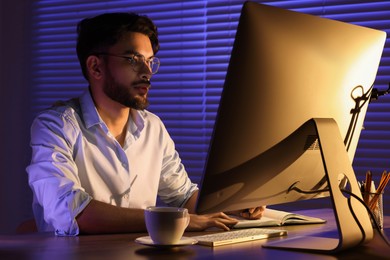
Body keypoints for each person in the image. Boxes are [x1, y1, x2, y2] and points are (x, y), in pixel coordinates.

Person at [26, 12, 265, 236]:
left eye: (150, 61)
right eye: (133, 59)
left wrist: (235, 206)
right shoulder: (54, 126)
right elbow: (72, 213)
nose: (147, 72)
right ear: (95, 66)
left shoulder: (153, 127)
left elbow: (182, 196)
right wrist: (178, 220)